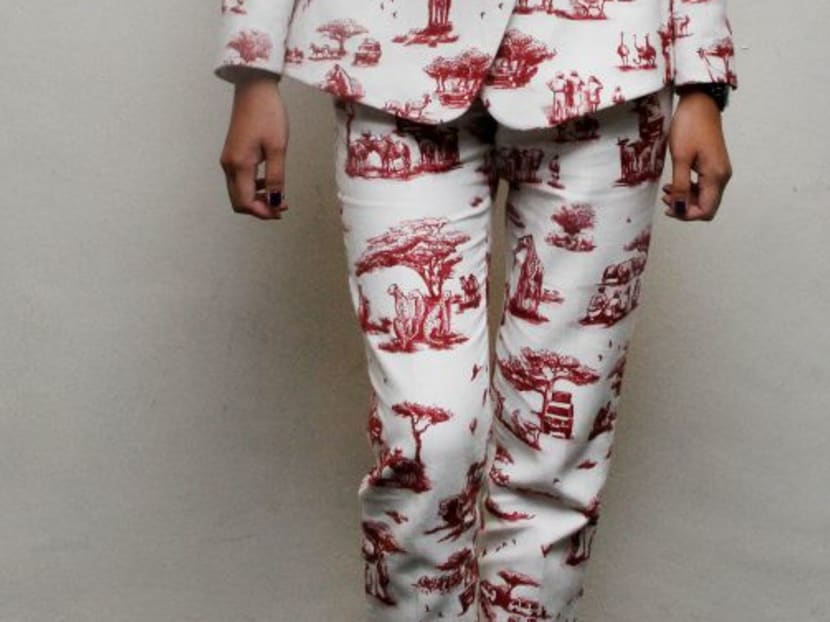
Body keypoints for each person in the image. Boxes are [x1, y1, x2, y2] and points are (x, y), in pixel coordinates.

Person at [214, 2, 738, 620]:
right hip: (393, 72)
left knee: (556, 450)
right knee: (427, 445)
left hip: (604, 71)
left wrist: (702, 81)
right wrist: (254, 68)